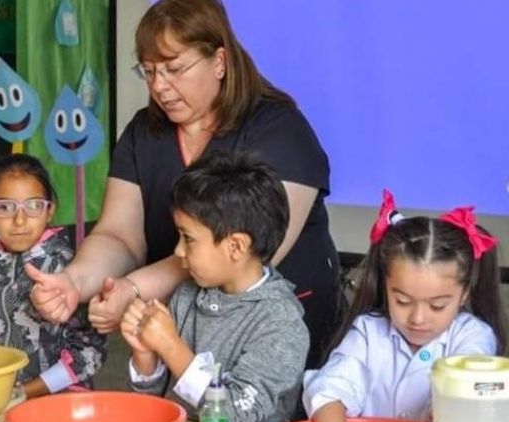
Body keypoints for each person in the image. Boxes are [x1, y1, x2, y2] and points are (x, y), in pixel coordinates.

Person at [26, 0, 341, 370]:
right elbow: (118, 236)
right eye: (148, 71)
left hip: (275, 332)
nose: (159, 86)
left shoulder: (280, 132)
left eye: (174, 69)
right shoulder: (144, 133)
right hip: (185, 326)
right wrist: (74, 281)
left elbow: (238, 255)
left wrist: (134, 288)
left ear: (220, 62)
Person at [120, 149, 310, 422]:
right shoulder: (187, 295)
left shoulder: (281, 324)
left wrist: (171, 346)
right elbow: (157, 404)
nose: (177, 251)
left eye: (188, 238)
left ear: (236, 246)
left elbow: (230, 419)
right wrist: (146, 354)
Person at [303, 190, 507, 422]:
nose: (418, 318)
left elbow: (456, 403)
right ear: (385, 285)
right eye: (402, 301)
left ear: (464, 293)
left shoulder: (473, 338)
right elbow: (329, 388)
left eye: (437, 305)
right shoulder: (368, 332)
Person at [0, 154, 106, 399]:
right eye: (5, 207)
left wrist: (23, 393)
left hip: (65, 402)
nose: (19, 220)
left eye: (34, 205)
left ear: (50, 211)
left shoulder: (71, 272)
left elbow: (91, 351)